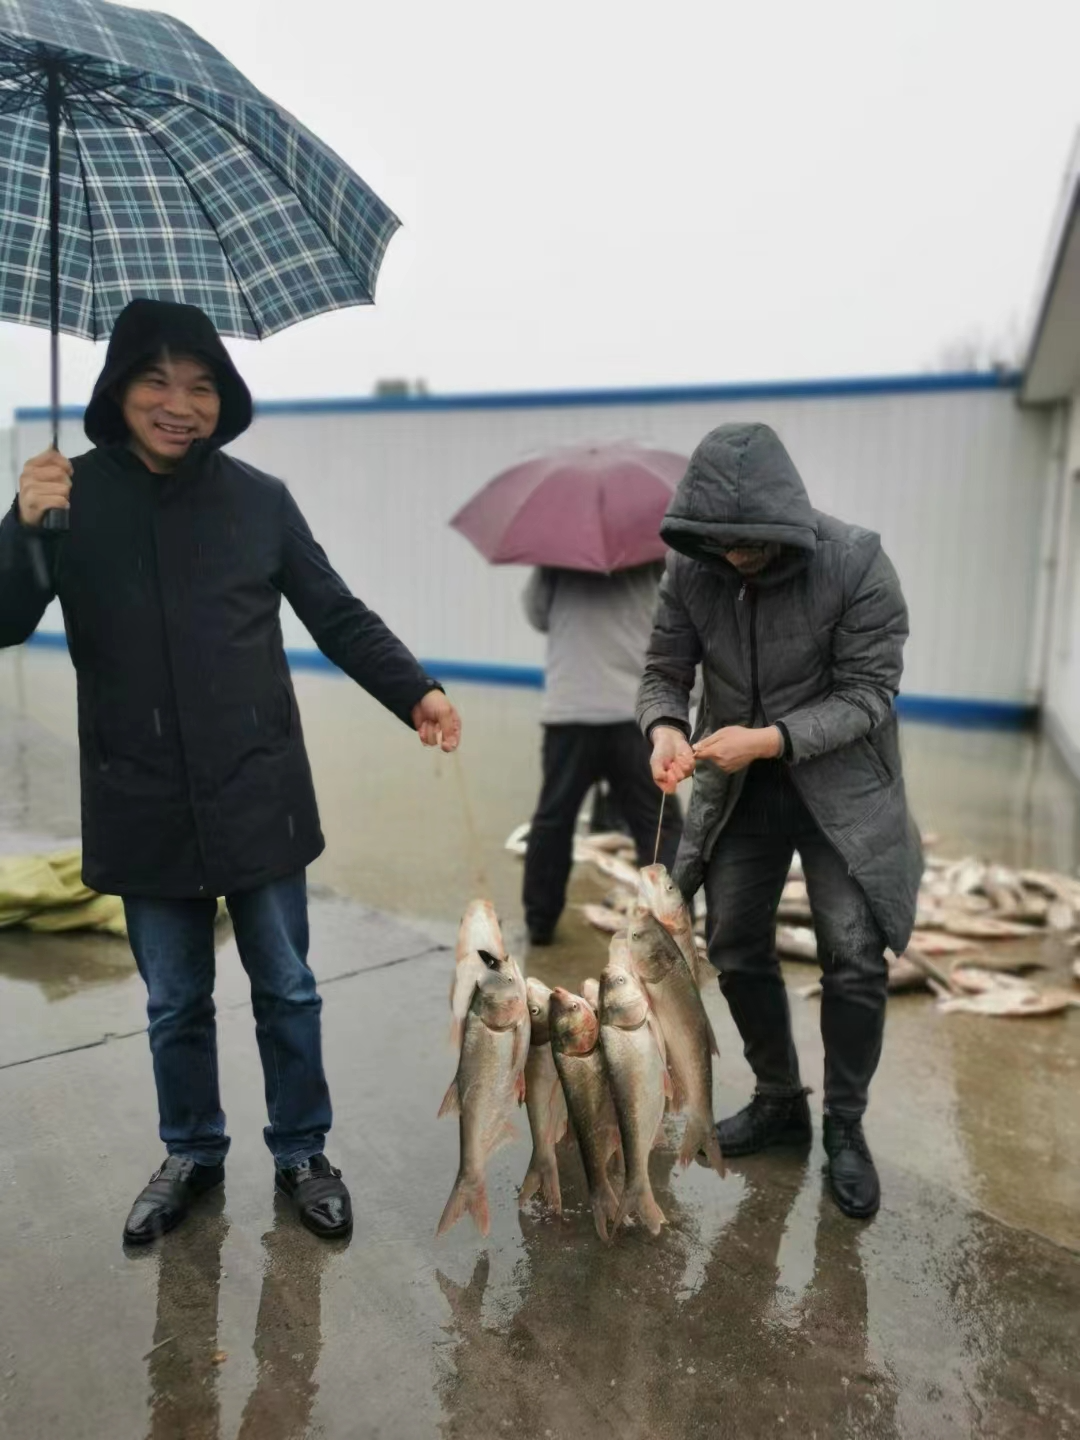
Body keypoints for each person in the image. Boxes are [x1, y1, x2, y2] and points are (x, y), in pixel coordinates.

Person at [0, 299, 461, 1245]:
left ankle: (302, 1150)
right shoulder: (68, 498)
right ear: (117, 392)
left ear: (225, 398)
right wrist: (21, 525)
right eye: (157, 382)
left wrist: (415, 689)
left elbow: (336, 611)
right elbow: (3, 620)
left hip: (259, 787)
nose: (181, 405)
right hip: (138, 793)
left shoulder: (260, 500)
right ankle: (192, 1153)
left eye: (201, 386)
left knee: (288, 986)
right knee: (175, 1001)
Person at [637, 422, 922, 1219]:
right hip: (741, 789)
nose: (736, 556)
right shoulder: (690, 570)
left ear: (785, 520)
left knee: (853, 955)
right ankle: (778, 1100)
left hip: (845, 790)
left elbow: (870, 694)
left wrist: (770, 738)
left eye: (751, 543)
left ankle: (845, 1127)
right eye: (721, 543)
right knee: (731, 943)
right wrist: (665, 729)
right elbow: (663, 671)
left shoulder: (856, 561)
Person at [522, 563, 683, 946]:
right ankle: (670, 924)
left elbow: (537, 614)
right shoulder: (651, 559)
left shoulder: (555, 556)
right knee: (657, 823)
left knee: (554, 819)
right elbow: (673, 622)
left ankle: (540, 922)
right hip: (634, 712)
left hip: (571, 710)